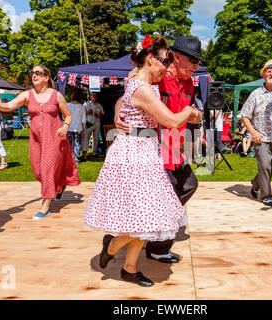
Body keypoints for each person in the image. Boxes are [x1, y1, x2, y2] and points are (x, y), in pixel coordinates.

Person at [84, 35, 200, 287]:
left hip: (151, 150)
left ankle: (130, 267)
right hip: (137, 153)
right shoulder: (146, 87)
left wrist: (121, 110)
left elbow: (127, 97)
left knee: (148, 215)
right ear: (151, 59)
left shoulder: (140, 80)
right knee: (147, 214)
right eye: (165, 61)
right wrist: (189, 112)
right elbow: (169, 120)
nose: (167, 67)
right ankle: (114, 244)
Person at [115, 35, 203, 264]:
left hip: (175, 151)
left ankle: (142, 239)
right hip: (154, 152)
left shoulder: (189, 83)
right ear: (178, 57)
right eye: (193, 60)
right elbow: (128, 93)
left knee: (189, 185)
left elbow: (189, 111)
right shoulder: (157, 76)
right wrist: (117, 112)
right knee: (163, 199)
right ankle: (153, 245)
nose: (197, 66)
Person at [0, 65, 81, 220]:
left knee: (47, 170)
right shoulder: (27, 95)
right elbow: (8, 106)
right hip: (35, 140)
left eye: (38, 73)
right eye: (33, 73)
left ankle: (45, 206)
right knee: (39, 172)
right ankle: (59, 185)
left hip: (54, 138)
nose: (34, 75)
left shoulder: (56, 95)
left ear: (46, 77)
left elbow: (67, 116)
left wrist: (66, 126)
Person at [240, 59, 272, 207]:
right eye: (268, 71)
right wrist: (253, 132)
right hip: (261, 137)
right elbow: (244, 115)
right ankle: (266, 196)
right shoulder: (256, 94)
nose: (271, 73)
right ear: (263, 75)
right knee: (264, 166)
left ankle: (255, 183)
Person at [67, 90, 87, 164]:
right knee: (77, 144)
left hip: (69, 127)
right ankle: (76, 159)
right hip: (79, 128)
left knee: (69, 144)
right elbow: (84, 120)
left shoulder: (67, 105)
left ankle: (69, 159)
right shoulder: (82, 107)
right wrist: (84, 130)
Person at [82, 92, 104, 159]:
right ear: (90, 96)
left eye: (95, 96)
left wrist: (99, 115)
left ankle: (94, 152)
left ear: (97, 97)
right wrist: (87, 112)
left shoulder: (99, 105)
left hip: (97, 123)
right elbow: (80, 113)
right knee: (86, 138)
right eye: (93, 95)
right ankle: (84, 153)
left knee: (96, 138)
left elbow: (102, 114)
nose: (94, 97)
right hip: (88, 123)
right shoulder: (86, 104)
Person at [185, 88, 204, 163]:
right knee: (193, 140)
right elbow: (201, 111)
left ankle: (189, 158)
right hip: (194, 122)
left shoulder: (187, 99)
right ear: (197, 94)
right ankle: (192, 157)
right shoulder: (198, 101)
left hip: (188, 122)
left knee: (189, 140)